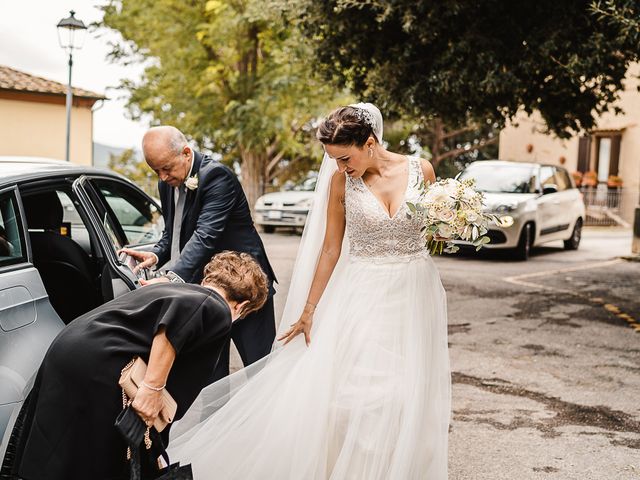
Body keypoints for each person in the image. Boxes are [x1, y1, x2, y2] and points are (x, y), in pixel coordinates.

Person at [167, 103, 451, 479]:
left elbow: (435, 238)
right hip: (364, 293)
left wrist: (450, 226)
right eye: (334, 160)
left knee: (408, 389)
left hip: (415, 292)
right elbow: (331, 249)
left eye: (345, 158)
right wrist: (309, 309)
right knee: (361, 393)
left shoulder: (422, 170)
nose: (341, 168)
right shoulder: (341, 182)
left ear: (369, 143)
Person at [12, 251, 269, 480]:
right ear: (243, 306)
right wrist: (152, 389)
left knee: (60, 452)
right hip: (100, 366)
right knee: (98, 460)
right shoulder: (214, 305)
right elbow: (171, 330)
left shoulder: (177, 291)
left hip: (69, 351)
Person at [120, 126, 277, 382]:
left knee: (258, 366)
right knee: (210, 371)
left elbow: (206, 235)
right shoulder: (167, 182)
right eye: (155, 171)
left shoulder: (216, 176)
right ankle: (214, 421)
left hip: (244, 285)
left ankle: (267, 420)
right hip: (207, 289)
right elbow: (173, 231)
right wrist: (156, 255)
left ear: (185, 152)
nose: (162, 176)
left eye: (167, 168)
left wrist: (172, 278)